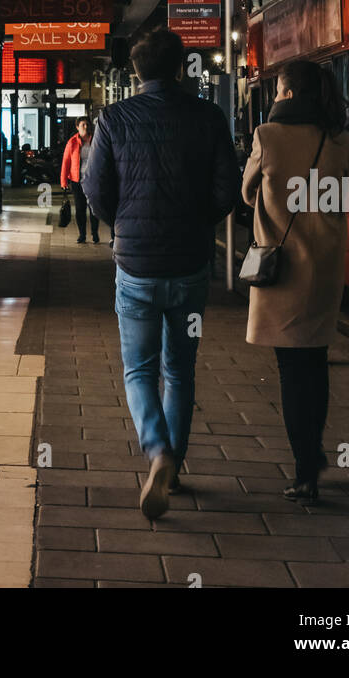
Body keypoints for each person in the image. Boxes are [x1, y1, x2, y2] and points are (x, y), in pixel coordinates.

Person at [82, 28, 241, 519]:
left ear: (135, 72)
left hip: (136, 266)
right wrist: (198, 227)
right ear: (180, 69)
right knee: (180, 369)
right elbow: (227, 191)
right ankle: (175, 464)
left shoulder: (112, 118)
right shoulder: (209, 117)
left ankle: (158, 452)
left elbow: (95, 189)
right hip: (191, 264)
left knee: (139, 369)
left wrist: (124, 226)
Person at [242, 59, 349, 503]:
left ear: (286, 94)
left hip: (282, 269)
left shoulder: (268, 137)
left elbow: (248, 191)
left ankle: (305, 467)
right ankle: (314, 454)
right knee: (316, 363)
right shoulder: (339, 139)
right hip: (324, 269)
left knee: (291, 371)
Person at [60, 117, 99, 244]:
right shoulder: (72, 142)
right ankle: (82, 235)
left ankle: (95, 234)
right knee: (80, 208)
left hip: (93, 179)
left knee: (94, 209)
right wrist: (63, 181)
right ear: (77, 127)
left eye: (87, 124)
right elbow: (66, 162)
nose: (86, 127)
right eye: (83, 125)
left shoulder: (96, 140)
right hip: (77, 180)